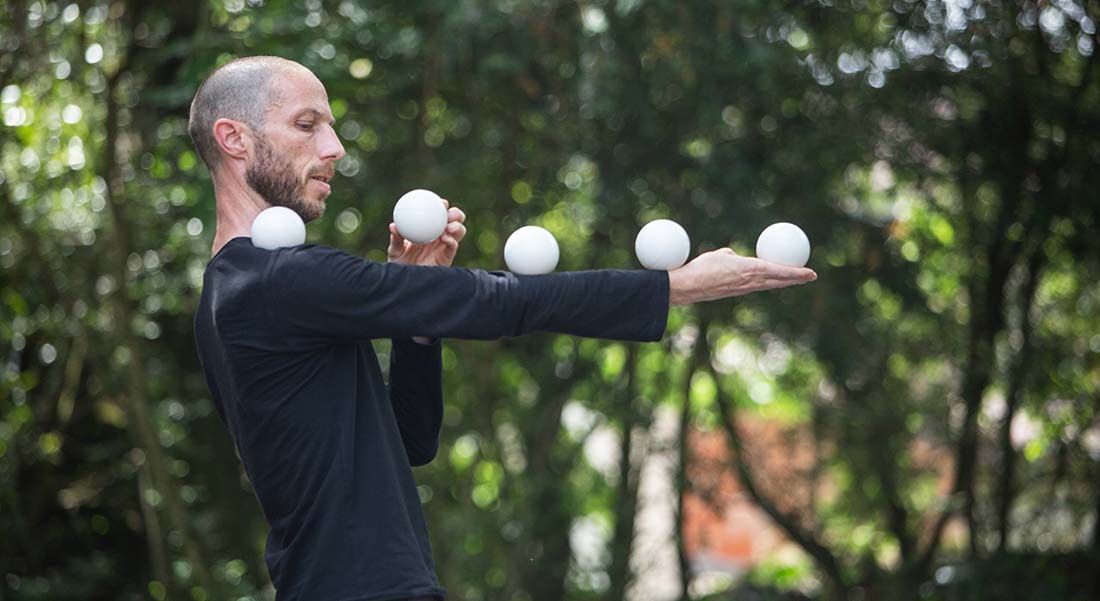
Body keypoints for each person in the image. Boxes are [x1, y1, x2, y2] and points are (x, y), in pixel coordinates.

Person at [189, 56, 816, 601]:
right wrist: (670, 287)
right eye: (307, 125)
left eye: (330, 125)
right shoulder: (273, 281)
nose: (334, 148)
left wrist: (415, 319)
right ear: (234, 139)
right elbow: (497, 303)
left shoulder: (230, 293)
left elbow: (408, 440)